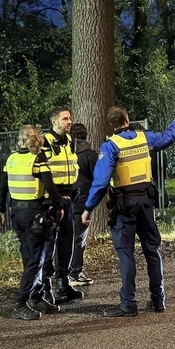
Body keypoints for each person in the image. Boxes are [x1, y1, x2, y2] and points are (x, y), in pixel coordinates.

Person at [82, 106, 175, 317]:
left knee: (126, 253)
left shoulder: (111, 146)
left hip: (125, 206)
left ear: (112, 124)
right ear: (127, 120)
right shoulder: (143, 138)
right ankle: (158, 300)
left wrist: (88, 208)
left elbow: (101, 182)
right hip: (146, 202)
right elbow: (168, 138)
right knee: (152, 250)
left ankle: (128, 304)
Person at [0, 125, 62, 320]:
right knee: (37, 259)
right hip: (35, 212)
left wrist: (0, 210)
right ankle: (20, 301)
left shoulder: (11, 158)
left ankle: (36, 297)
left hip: (17, 212)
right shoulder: (39, 158)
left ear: (20, 141)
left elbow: (2, 187)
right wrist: (59, 205)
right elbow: (49, 185)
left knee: (28, 256)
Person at [42, 108, 83, 305]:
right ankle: (45, 287)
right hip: (51, 200)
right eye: (65, 119)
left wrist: (74, 189)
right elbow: (41, 172)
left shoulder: (70, 141)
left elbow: (72, 167)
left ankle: (63, 282)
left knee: (66, 242)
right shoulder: (44, 141)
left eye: (69, 118)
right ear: (54, 122)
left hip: (68, 198)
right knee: (48, 244)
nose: (69, 121)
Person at [68, 122, 97, 286]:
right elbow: (97, 178)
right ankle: (75, 273)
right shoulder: (89, 154)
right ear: (86, 134)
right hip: (83, 202)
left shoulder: (64, 154)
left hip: (66, 201)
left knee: (66, 239)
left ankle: (63, 273)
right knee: (79, 239)